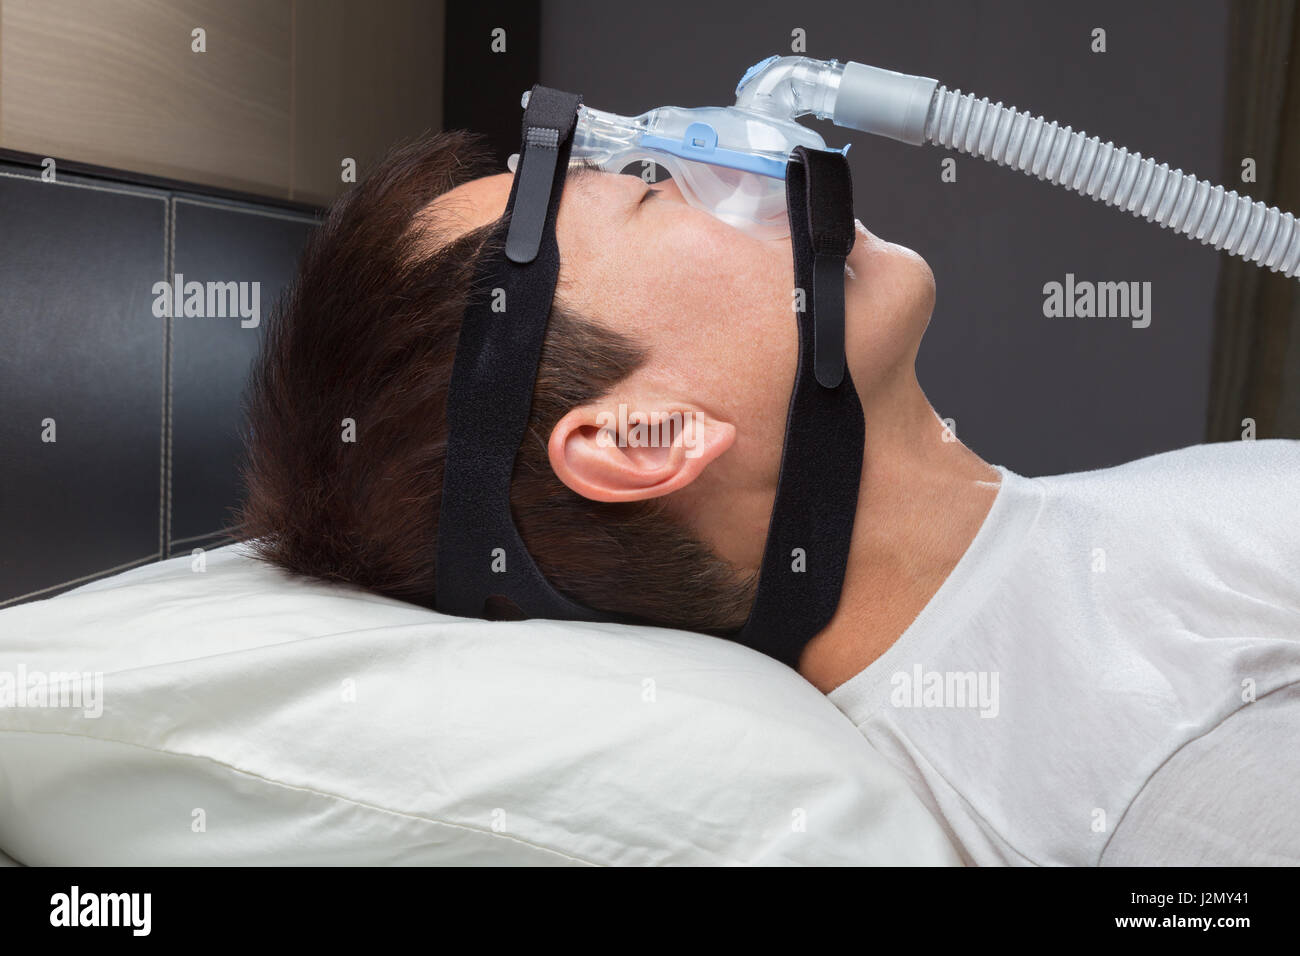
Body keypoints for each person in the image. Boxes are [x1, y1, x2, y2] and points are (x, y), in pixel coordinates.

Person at [239, 130, 1300, 866]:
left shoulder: (1087, 575)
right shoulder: (1160, 773)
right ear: (636, 437)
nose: (735, 169)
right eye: (656, 185)